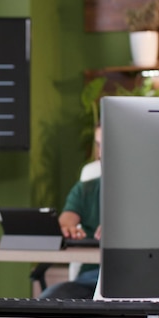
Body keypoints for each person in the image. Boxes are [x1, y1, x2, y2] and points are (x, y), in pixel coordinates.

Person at [38, 124, 102, 299]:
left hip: (134, 278)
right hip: (91, 278)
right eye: (98, 145)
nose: (101, 154)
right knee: (46, 302)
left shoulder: (148, 189)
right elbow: (66, 221)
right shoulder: (85, 189)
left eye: (108, 144)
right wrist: (67, 229)